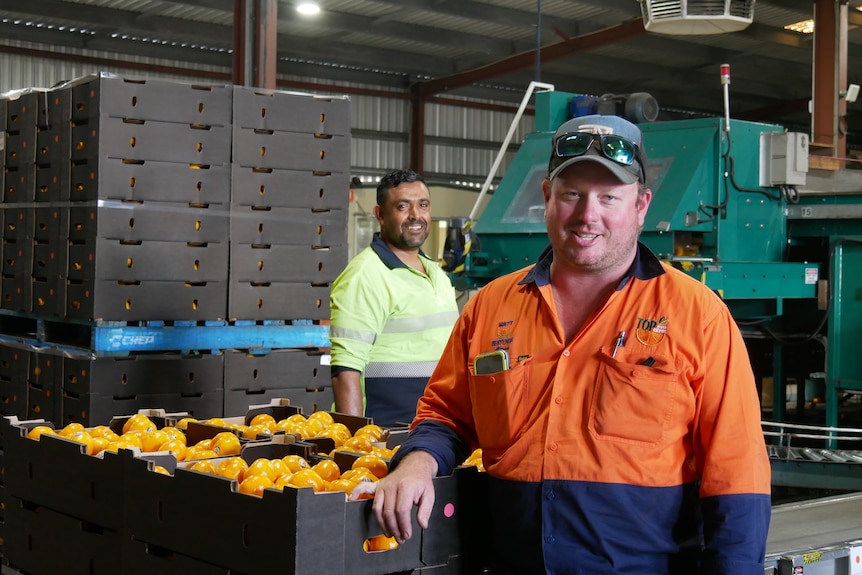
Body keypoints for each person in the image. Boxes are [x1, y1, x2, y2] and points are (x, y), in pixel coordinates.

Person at [359, 115, 772, 574]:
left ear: (641, 206)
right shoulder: (490, 306)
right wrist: (417, 461)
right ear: (546, 199)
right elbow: (447, 414)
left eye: (609, 197)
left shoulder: (698, 315)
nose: (587, 214)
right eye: (572, 193)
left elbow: (736, 473)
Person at [329, 169, 459, 428]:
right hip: (388, 433)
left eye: (423, 205)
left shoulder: (437, 273)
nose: (416, 216)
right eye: (403, 206)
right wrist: (358, 445)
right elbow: (346, 371)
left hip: (437, 428)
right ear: (380, 214)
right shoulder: (364, 276)